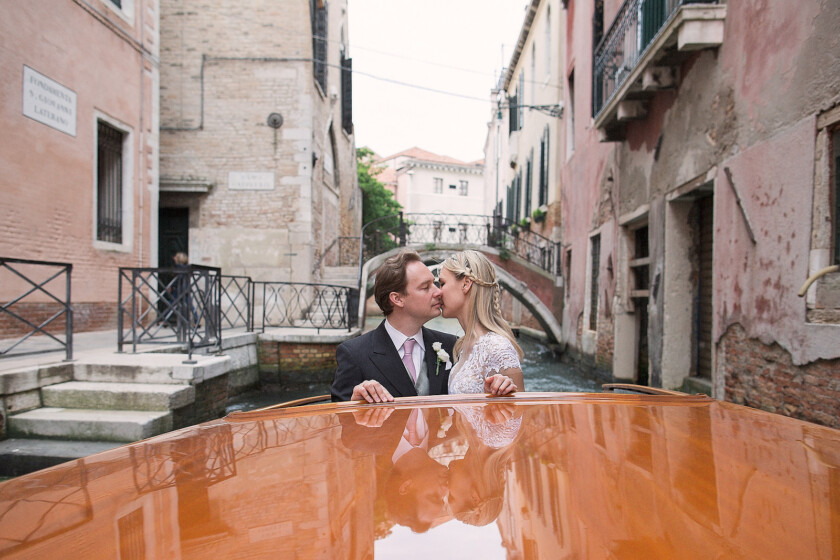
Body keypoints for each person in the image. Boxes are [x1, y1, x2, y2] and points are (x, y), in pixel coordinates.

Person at [331, 250, 457, 402]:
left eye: (435, 283)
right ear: (397, 299)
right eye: (426, 287)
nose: (438, 292)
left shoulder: (452, 345)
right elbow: (341, 420)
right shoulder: (354, 354)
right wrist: (354, 405)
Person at [438, 250, 524, 395]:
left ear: (466, 284)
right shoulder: (464, 345)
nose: (438, 292)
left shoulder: (498, 348)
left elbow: (519, 414)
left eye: (442, 283)